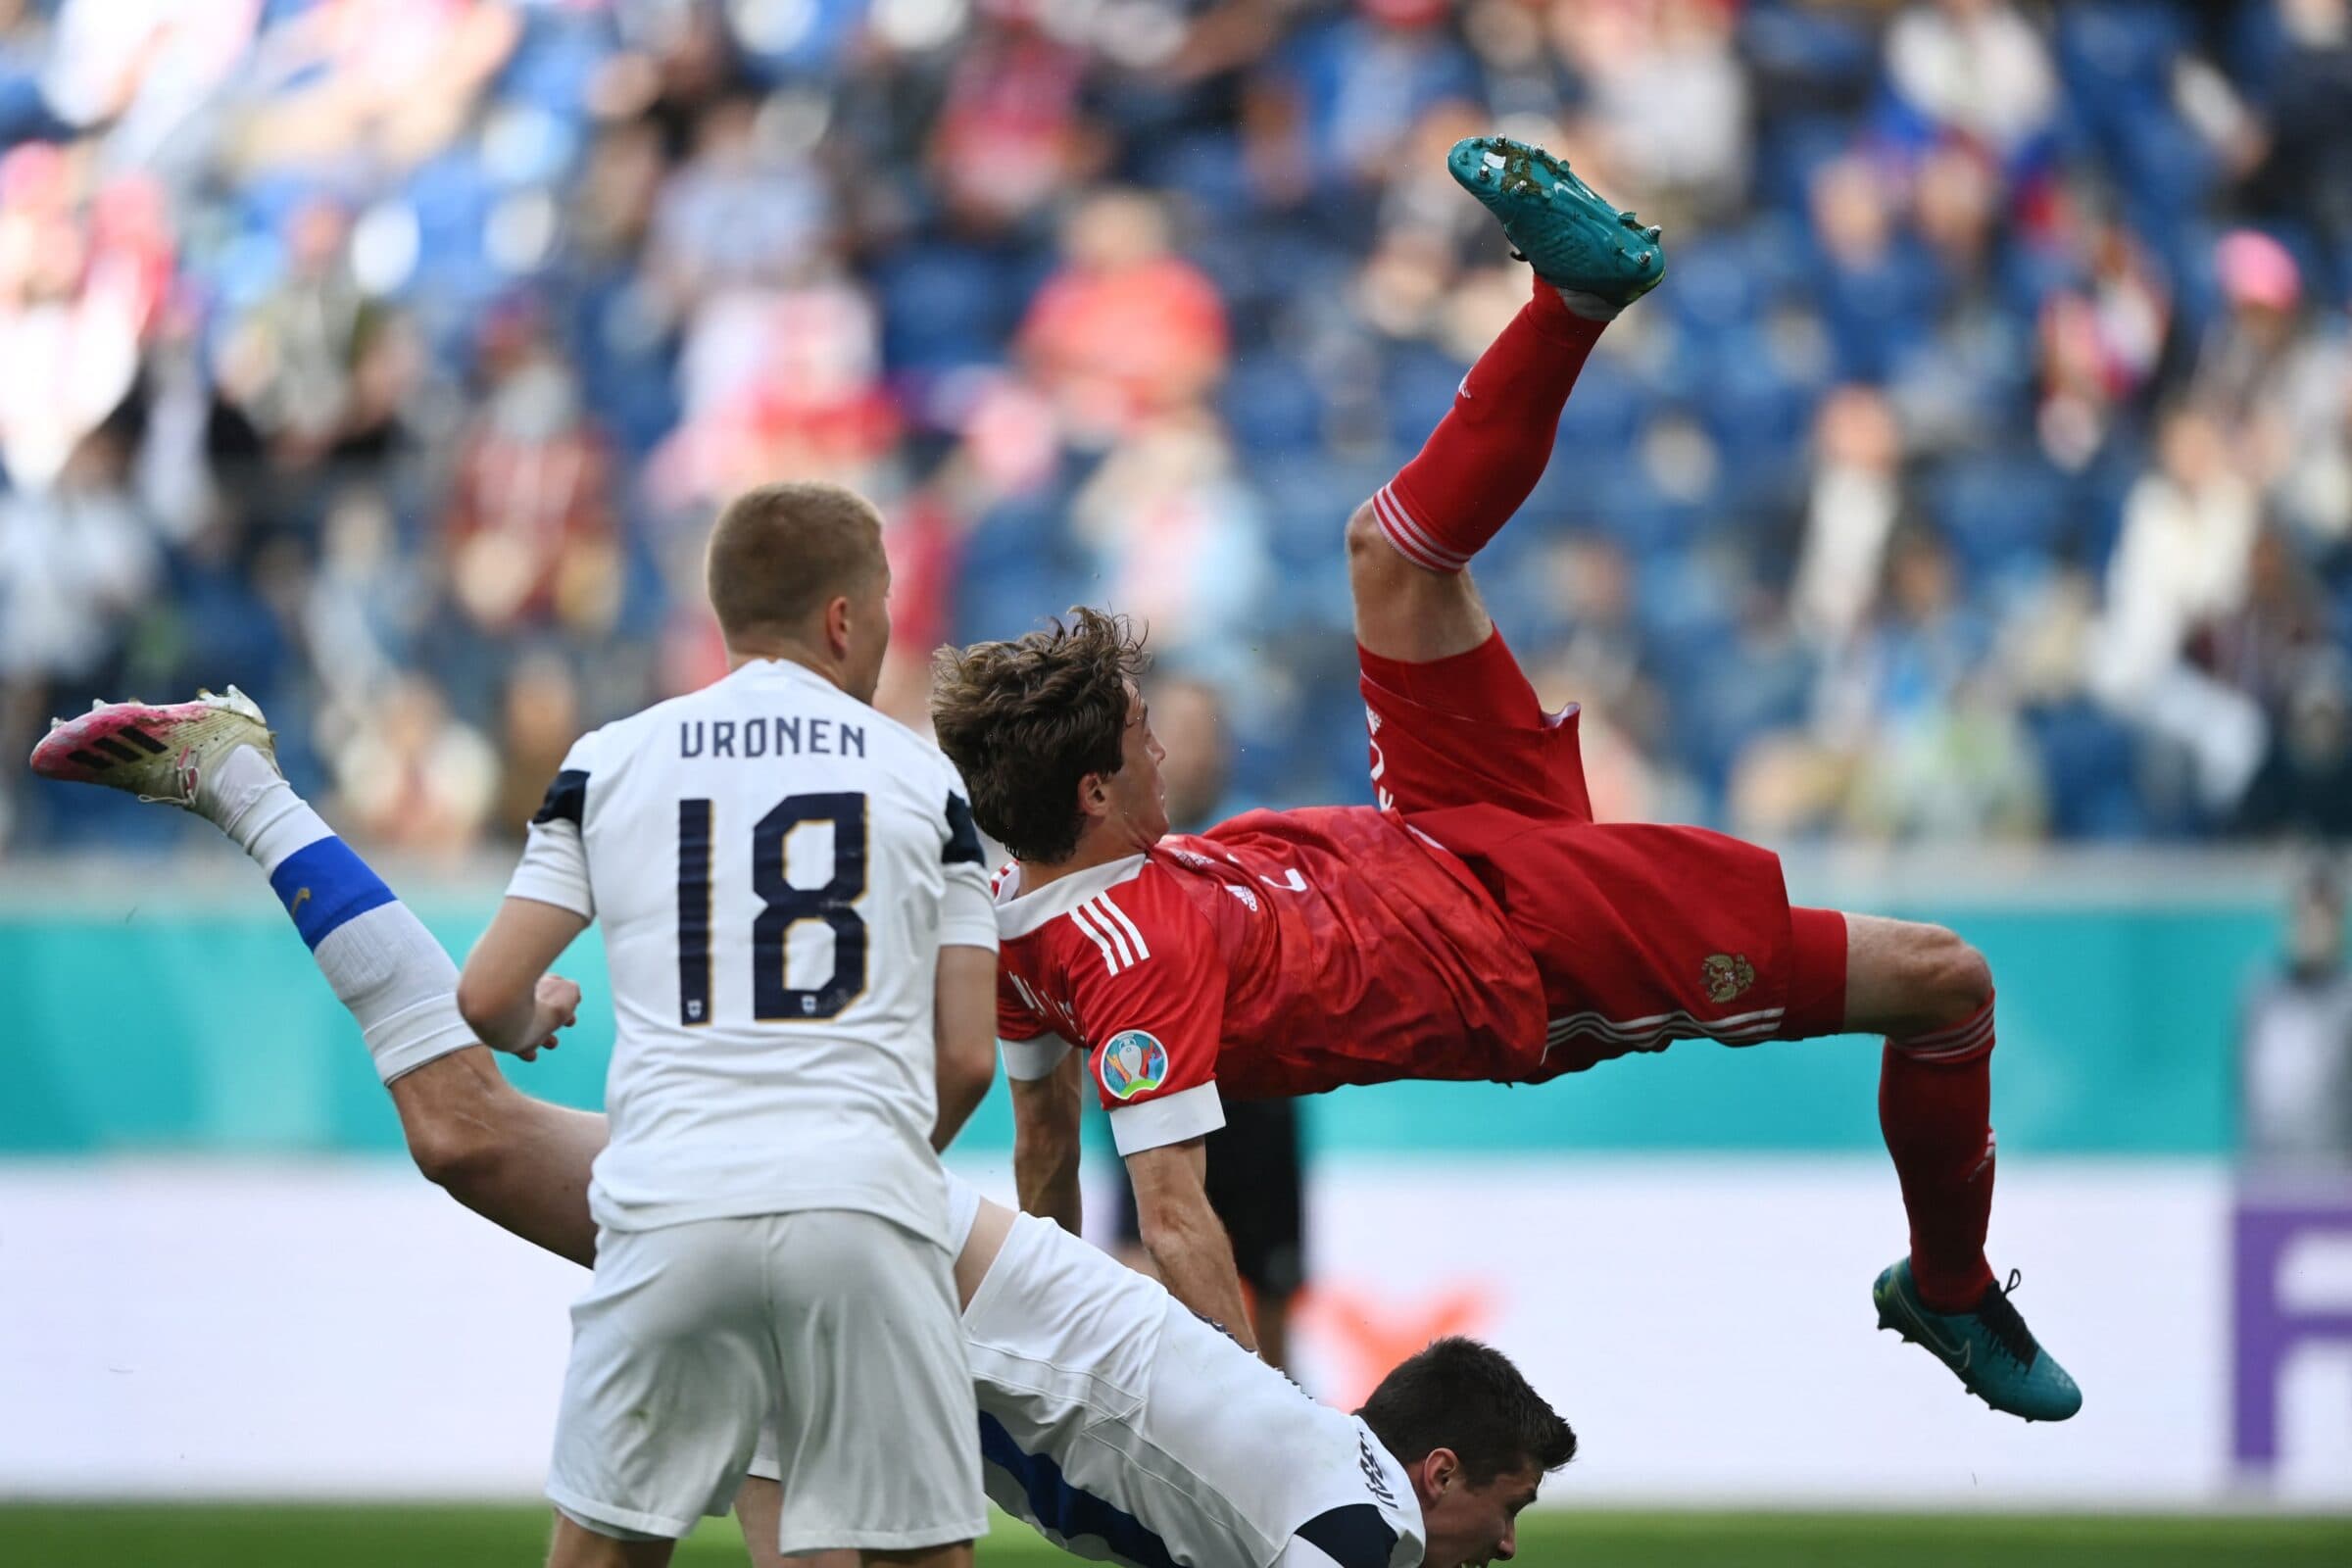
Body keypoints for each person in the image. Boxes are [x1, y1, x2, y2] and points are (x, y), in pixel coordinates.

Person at [930, 136, 2082, 1423]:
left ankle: (1571, 302)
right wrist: (1260, 1451)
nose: (1168, 746)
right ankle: (1952, 1286)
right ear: (1092, 791)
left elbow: (1042, 1162)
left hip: (1429, 834)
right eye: (1142, 736)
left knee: (1388, 553)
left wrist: (1036, 1332)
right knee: (1943, 983)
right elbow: (1174, 1217)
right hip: (1516, 953)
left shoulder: (1021, 914)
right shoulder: (1126, 960)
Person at [26, 705, 1576, 1568]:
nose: (1502, 1560)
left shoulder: (1318, 1488)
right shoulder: (1361, 1524)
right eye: (1504, 1516)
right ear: (1439, 1472)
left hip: (941, 1317)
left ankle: (244, 786)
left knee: (463, 1134)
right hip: (929, 1292)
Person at [1111, 676, 1311, 1374]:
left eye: (1204, 734)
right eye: (1176, 734)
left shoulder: (1256, 843)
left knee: (1274, 1281)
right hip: (1154, 1094)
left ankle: (1285, 1430)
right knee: (1143, 1267)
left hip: (1253, 1099)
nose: (1189, 751)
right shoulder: (1114, 853)